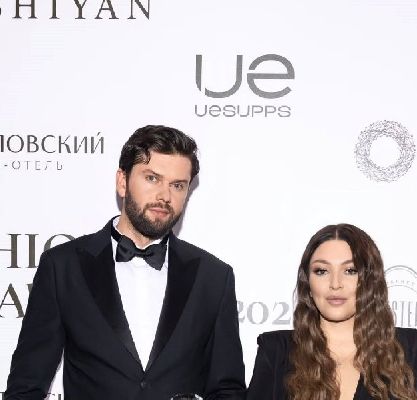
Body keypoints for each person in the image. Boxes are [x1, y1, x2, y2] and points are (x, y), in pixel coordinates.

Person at [5, 125, 246, 400]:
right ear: (122, 182)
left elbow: (228, 390)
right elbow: (25, 389)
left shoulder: (213, 277)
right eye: (152, 178)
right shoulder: (63, 267)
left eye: (178, 185)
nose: (165, 196)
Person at [247, 224, 417, 400]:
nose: (335, 284)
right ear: (308, 284)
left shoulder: (410, 349)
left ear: (370, 281)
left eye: (350, 270)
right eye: (322, 271)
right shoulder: (275, 352)